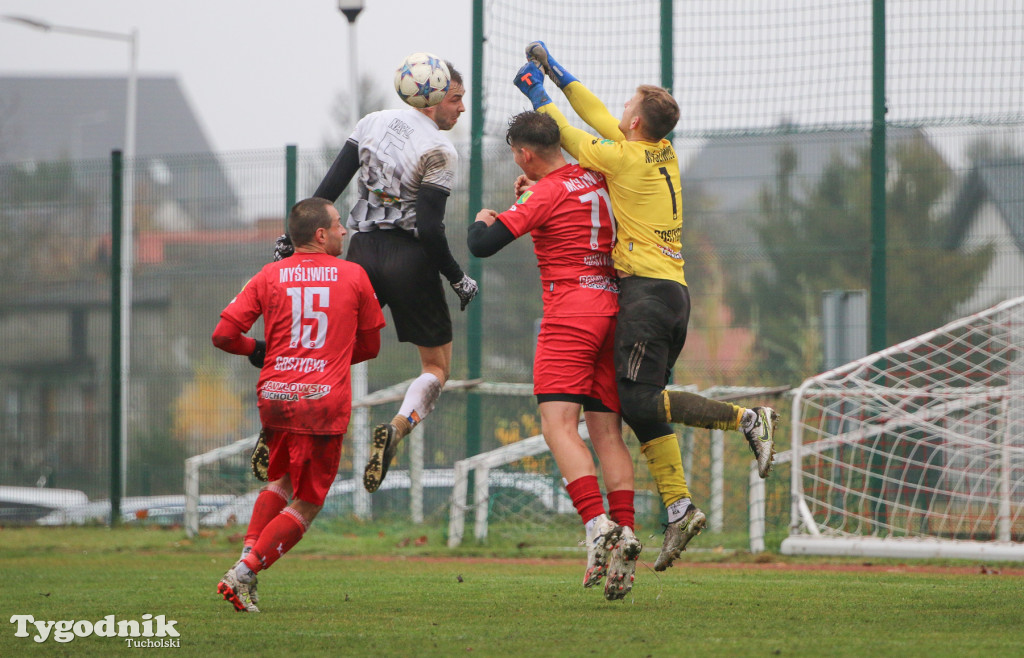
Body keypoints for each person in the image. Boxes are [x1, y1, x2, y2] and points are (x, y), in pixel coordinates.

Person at [516, 43, 780, 571]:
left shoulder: (621, 157)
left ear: (633, 121)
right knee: (639, 404)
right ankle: (679, 505)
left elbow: (569, 135)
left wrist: (538, 94)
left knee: (638, 404)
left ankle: (747, 419)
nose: (615, 112)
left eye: (624, 107)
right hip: (673, 294)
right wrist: (559, 72)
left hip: (644, 297)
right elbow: (593, 114)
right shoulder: (659, 151)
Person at [468, 111, 639, 600]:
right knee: (607, 433)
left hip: (571, 315)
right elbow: (565, 193)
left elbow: (484, 243)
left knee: (557, 426)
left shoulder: (543, 193)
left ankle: (595, 523)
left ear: (524, 153)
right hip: (615, 311)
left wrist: (485, 215)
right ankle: (625, 531)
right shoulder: (598, 174)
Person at [311, 60, 478, 494]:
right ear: (435, 95)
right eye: (456, 99)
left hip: (361, 251)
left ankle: (280, 427)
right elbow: (428, 229)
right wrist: (458, 278)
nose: (462, 109)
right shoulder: (441, 151)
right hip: (410, 260)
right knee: (436, 368)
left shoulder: (371, 121)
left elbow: (325, 193)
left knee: (332, 352)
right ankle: (399, 427)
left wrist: (292, 241)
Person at [212, 197, 386, 612]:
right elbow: (371, 346)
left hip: (274, 395)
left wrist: (259, 348)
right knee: (308, 500)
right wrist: (330, 357)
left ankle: (243, 566)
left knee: (281, 482)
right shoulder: (355, 276)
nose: (345, 231)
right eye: (339, 224)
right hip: (321, 402)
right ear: (320, 234)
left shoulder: (270, 275)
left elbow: (223, 335)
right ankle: (245, 572)